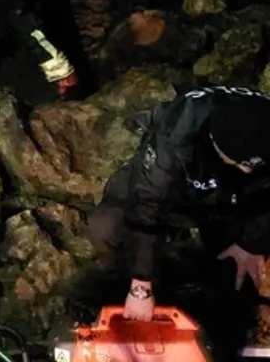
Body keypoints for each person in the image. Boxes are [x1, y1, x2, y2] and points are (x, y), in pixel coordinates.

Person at [84, 87, 270, 328]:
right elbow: (146, 204)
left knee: (239, 272)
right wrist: (141, 286)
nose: (248, 169)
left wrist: (251, 243)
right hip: (173, 188)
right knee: (107, 229)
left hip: (231, 199)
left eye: (254, 165)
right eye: (242, 164)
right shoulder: (175, 135)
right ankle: (132, 289)